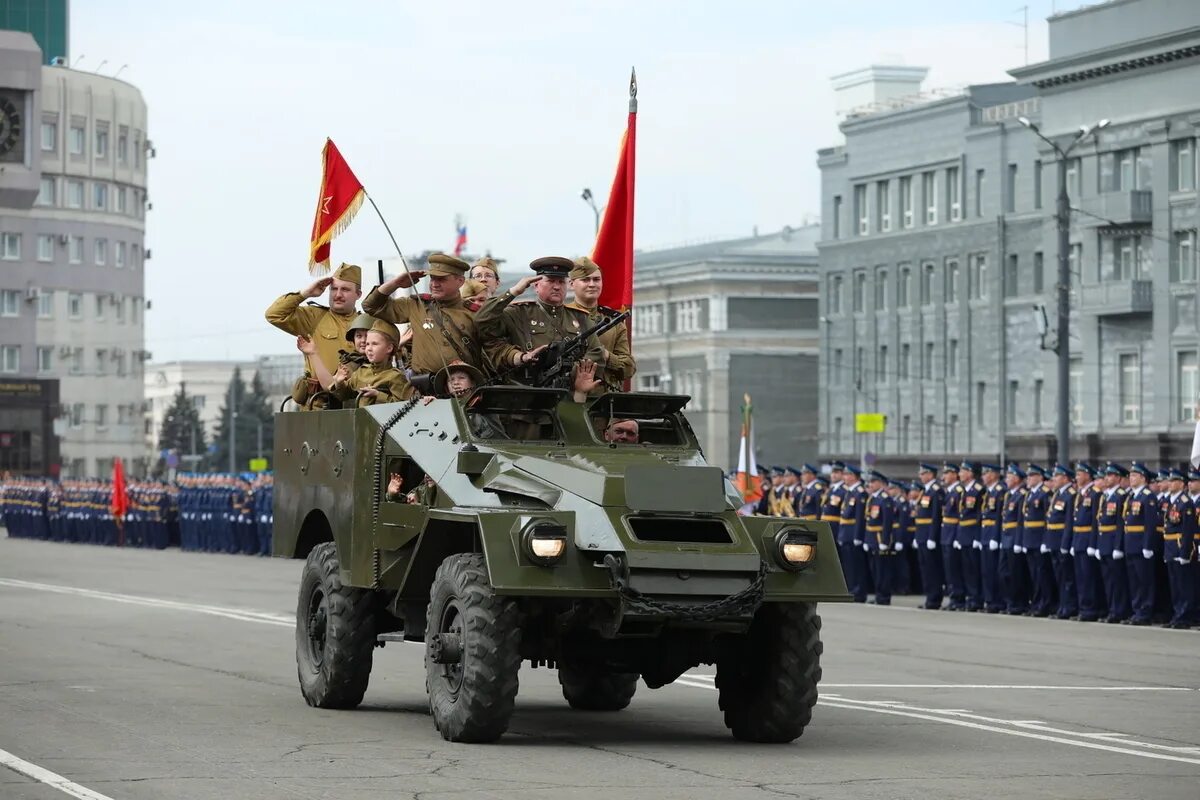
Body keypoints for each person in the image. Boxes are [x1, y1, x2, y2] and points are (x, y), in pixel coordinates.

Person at [475, 256, 606, 386]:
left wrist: (571, 373)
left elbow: (596, 353)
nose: (556, 287)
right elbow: (482, 321)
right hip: (526, 392)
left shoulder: (580, 318)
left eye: (561, 282)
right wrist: (513, 292)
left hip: (570, 392)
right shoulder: (517, 313)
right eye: (550, 281)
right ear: (536, 286)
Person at [362, 253, 486, 378]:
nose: (434, 284)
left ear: (460, 281)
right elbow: (371, 306)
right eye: (432, 278)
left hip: (463, 388)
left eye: (441, 279)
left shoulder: (474, 313)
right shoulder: (416, 305)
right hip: (424, 390)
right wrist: (396, 283)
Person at [265, 263, 363, 408]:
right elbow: (274, 315)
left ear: (358, 294)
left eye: (345, 290)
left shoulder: (365, 324)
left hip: (354, 404)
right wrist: (306, 293)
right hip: (317, 404)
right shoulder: (313, 317)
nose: (338, 295)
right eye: (334, 289)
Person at [300, 319, 414, 407]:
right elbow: (344, 395)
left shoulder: (395, 376)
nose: (368, 348)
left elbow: (405, 405)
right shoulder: (361, 372)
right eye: (368, 344)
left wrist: (378, 395)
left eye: (374, 344)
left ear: (389, 348)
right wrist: (339, 383)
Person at [566, 256, 636, 390]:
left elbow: (629, 368)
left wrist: (606, 356)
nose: (592, 284)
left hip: (606, 399)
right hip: (570, 398)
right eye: (585, 280)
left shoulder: (613, 321)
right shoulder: (562, 317)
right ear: (571, 284)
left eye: (596, 279)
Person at [1122, 461, 1159, 625]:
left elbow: (1150, 524)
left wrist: (1147, 545)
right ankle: (1137, 610)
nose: (1131, 478)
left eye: (1135, 475)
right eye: (1130, 475)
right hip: (1130, 543)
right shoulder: (1132, 496)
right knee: (1134, 581)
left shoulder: (1148, 496)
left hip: (1141, 545)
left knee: (1145, 581)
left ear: (1143, 478)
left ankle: (1145, 611)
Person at [1096, 462, 1131, 623]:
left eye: (1110, 475)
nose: (1106, 478)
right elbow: (1099, 522)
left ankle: (1119, 610)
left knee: (1117, 580)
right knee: (1108, 580)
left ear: (1118, 478)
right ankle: (1112, 609)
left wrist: (1118, 546)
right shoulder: (1106, 496)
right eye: (1106, 475)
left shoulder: (1121, 496)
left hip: (1112, 543)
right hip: (1103, 543)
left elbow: (1119, 523)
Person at [1161, 467, 1196, 629]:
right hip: (1170, 546)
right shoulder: (1171, 501)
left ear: (1182, 484)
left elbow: (1188, 530)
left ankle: (1184, 616)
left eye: (1174, 480)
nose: (1170, 483)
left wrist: (1185, 552)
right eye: (1170, 480)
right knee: (1174, 584)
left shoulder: (1185, 502)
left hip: (1180, 545)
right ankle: (1177, 614)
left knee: (1183, 584)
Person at [1069, 462, 1102, 622]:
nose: (1077, 477)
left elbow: (1096, 521)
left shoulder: (1095, 494)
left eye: (1079, 473)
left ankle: (1090, 609)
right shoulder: (1081, 494)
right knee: (1080, 577)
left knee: (1089, 577)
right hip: (1078, 540)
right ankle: (1083, 608)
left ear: (1087, 475)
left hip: (1087, 539)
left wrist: (1092, 543)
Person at [1022, 464, 1055, 617]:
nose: (1028, 479)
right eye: (1028, 476)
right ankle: (1036, 603)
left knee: (1042, 575)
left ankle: (1045, 604)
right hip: (1030, 539)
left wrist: (1045, 541)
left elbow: (1047, 519)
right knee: (1034, 575)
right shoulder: (1030, 494)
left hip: (1039, 539)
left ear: (1040, 478)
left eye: (1031, 476)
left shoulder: (1045, 493)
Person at [1000, 463, 1029, 615]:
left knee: (1015, 573)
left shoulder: (1022, 495)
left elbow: (1020, 521)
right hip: (1006, 538)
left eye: (1010, 476)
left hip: (1014, 539)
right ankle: (1010, 601)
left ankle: (1019, 603)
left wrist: (1018, 541)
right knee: (1004, 572)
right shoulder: (1009, 495)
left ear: (1017, 479)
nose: (1006, 479)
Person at [914, 463, 944, 610]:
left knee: (932, 569)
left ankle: (934, 598)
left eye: (923, 473)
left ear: (931, 474)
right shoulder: (926, 491)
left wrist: (932, 537)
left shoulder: (936, 491)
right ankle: (929, 597)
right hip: (922, 535)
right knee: (925, 568)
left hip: (929, 536)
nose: (920, 476)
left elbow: (935, 517)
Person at [956, 461, 985, 612]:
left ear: (971, 473)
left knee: (974, 569)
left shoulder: (978, 490)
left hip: (972, 533)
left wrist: (977, 537)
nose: (959, 474)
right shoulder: (964, 490)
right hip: (964, 534)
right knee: (966, 569)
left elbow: (979, 516)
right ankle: (970, 597)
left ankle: (976, 599)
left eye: (962, 471)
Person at [836, 464, 867, 603]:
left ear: (854, 477)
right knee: (849, 564)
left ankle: (859, 591)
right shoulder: (850, 492)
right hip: (846, 533)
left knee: (857, 565)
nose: (845, 477)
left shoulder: (860, 493)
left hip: (853, 533)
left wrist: (857, 536)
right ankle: (851, 588)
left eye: (847, 475)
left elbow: (860, 517)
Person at [863, 471, 894, 605]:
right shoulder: (873, 498)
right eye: (870, 482)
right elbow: (868, 520)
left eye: (873, 482)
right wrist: (866, 539)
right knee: (874, 568)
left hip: (880, 537)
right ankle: (878, 594)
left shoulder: (885, 499)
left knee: (882, 569)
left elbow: (887, 522)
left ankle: (884, 596)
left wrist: (885, 541)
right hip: (871, 537)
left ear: (880, 483)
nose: (871, 484)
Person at [979, 464, 1006, 614]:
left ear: (994, 475)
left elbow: (998, 517)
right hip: (985, 534)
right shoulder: (989, 492)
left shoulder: (1000, 491)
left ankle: (997, 601)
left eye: (986, 473)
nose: (983, 476)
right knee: (986, 570)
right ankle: (990, 600)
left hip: (992, 535)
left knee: (994, 570)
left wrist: (995, 537)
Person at [940, 463, 965, 611]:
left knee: (955, 569)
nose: (943, 477)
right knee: (949, 570)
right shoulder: (949, 492)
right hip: (946, 534)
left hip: (953, 534)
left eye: (947, 473)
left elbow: (960, 516)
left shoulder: (959, 491)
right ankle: (953, 597)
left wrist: (957, 537)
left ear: (955, 475)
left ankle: (958, 598)